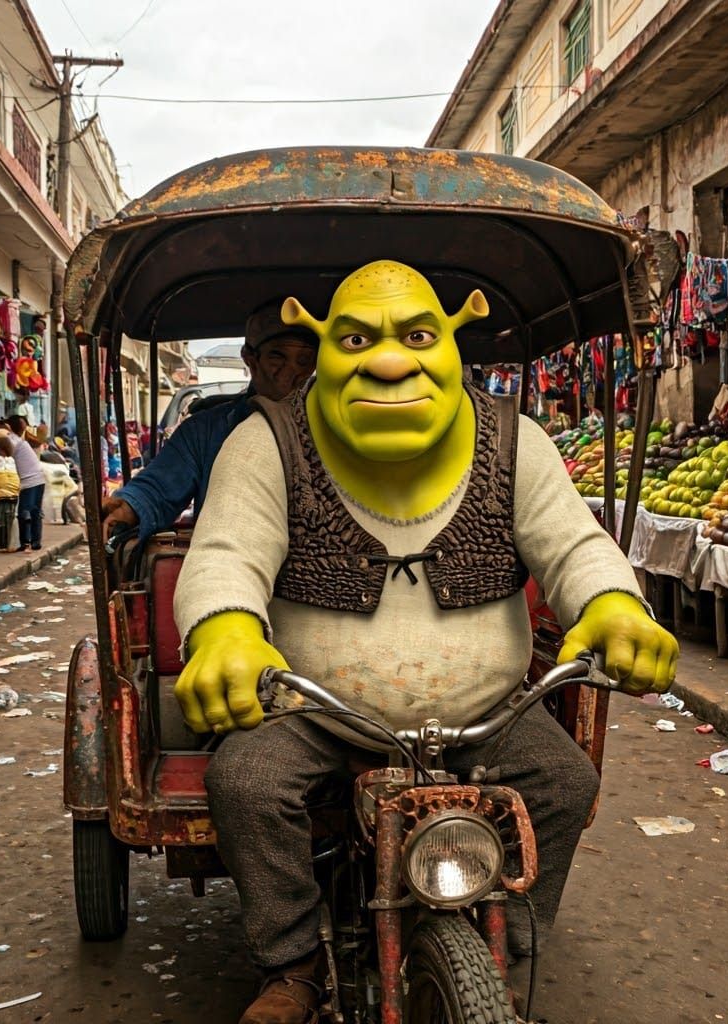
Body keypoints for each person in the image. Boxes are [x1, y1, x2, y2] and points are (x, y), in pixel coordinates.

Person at [171, 261, 679, 1024]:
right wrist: (226, 631)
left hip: (487, 714)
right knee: (245, 784)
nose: (387, 363)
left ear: (451, 343)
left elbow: (575, 544)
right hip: (317, 712)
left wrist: (614, 606)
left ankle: (511, 950)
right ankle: (293, 964)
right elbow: (226, 553)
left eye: (415, 337)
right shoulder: (265, 440)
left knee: (565, 783)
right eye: (355, 339)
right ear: (324, 348)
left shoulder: (516, 441)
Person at [101, 301, 318, 542]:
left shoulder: (332, 428)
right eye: (277, 357)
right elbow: (160, 487)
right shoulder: (204, 431)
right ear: (250, 359)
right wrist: (129, 507)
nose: (292, 371)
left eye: (304, 360)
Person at [0, 415, 46, 552]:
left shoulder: (14, 440)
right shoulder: (19, 441)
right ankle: (35, 541)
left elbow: (4, 449)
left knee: (24, 511)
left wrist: (4, 429)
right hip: (38, 478)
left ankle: (26, 542)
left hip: (30, 480)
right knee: (35, 511)